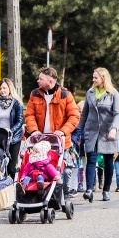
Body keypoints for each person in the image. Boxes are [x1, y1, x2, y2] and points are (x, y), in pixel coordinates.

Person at [24, 67, 80, 200]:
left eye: (41, 79)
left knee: (64, 170)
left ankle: (65, 195)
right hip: (40, 142)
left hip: (60, 141)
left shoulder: (65, 95)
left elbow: (74, 116)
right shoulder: (34, 94)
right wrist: (34, 130)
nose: (38, 81)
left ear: (50, 81)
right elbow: (29, 115)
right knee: (38, 167)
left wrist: (63, 131)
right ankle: (40, 195)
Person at [76, 68, 119, 202]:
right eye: (93, 77)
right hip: (92, 131)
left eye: (95, 77)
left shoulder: (113, 93)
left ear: (103, 78)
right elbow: (84, 113)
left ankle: (106, 190)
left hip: (108, 132)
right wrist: (79, 130)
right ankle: (89, 190)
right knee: (91, 159)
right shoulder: (90, 92)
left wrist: (114, 129)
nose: (93, 79)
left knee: (108, 162)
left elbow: (117, 113)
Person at [0, 78, 23, 178]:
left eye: (4, 88)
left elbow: (20, 121)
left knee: (11, 167)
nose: (2, 90)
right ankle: (1, 184)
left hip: (13, 138)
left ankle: (14, 184)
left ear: (10, 88)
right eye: (0, 89)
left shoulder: (16, 103)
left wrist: (11, 130)